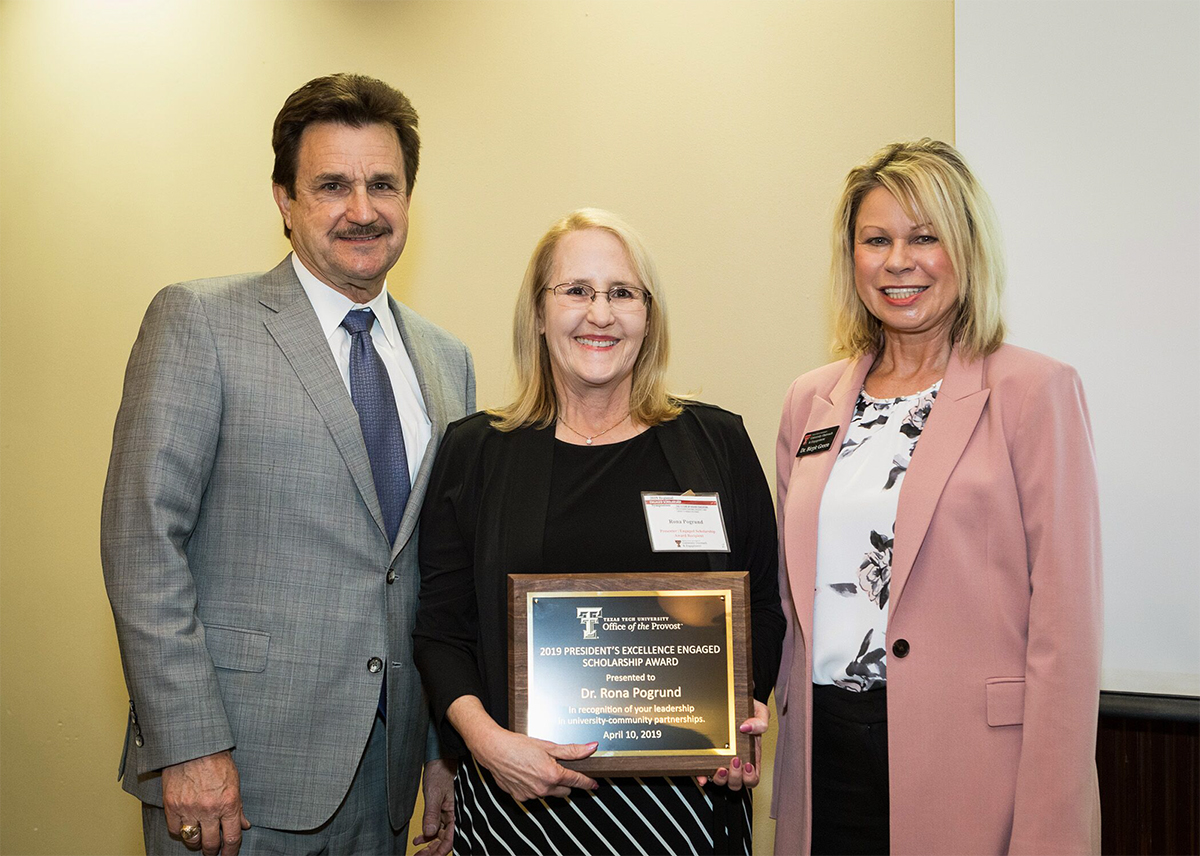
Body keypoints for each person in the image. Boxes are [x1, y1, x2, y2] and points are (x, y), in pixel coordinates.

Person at [101, 73, 475, 856]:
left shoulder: (447, 362)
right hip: (237, 776)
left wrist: (444, 756)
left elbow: (441, 575)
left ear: (410, 197)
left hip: (388, 778)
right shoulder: (200, 323)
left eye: (384, 184)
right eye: (331, 185)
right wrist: (189, 744)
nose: (362, 209)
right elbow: (143, 545)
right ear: (283, 197)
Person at [413, 208, 785, 855]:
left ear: (650, 314)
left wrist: (739, 712)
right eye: (577, 291)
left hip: (687, 811)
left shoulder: (715, 443)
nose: (601, 314)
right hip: (518, 806)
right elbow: (442, 628)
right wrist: (485, 743)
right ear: (537, 312)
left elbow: (763, 606)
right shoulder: (475, 452)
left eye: (622, 293)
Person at [770, 138, 1102, 855]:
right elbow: (787, 604)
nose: (898, 261)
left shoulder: (1035, 392)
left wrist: (1051, 828)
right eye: (876, 239)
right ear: (850, 257)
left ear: (966, 249)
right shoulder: (810, 403)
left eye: (925, 238)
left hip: (977, 774)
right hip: (824, 764)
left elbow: (1065, 630)